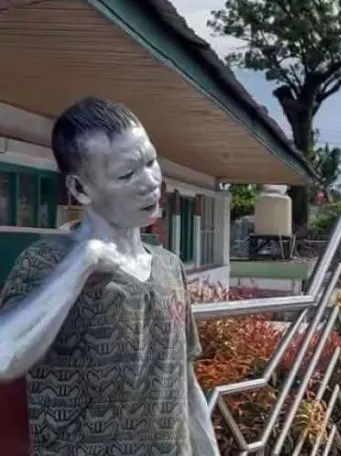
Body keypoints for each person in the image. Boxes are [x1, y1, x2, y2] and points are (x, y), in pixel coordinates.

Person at [0, 97, 218, 455]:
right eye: (127, 174)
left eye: (151, 161)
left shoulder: (170, 266)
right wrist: (80, 264)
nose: (151, 182)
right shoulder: (46, 263)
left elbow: (185, 382)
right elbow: (5, 357)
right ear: (80, 189)